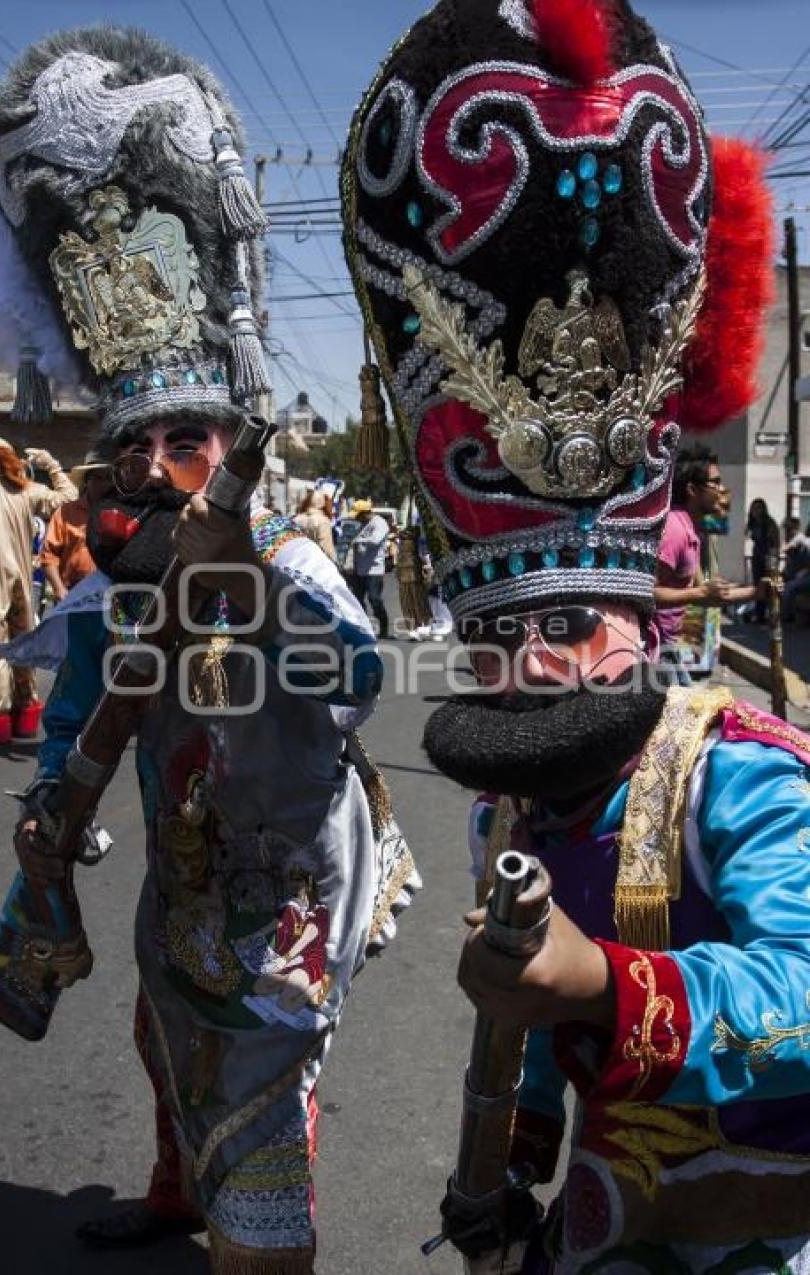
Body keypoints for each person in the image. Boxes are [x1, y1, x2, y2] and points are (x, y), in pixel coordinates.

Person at [342, 0, 808, 1269]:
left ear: (643, 620)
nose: (533, 667)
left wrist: (604, 984)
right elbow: (533, 1036)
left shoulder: (740, 769)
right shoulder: (522, 806)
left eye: (568, 626)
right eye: (497, 639)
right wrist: (505, 1159)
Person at [0, 26, 418, 1274]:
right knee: (162, 1024)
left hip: (285, 895)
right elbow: (90, 697)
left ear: (230, 442)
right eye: (138, 443)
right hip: (186, 878)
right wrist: (57, 805)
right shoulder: (122, 579)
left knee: (264, 1137)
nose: (160, 467)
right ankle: (173, 1189)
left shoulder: (288, 557)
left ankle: (254, 1235)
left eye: (189, 441)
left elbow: (357, 680)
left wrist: (255, 584)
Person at [0, 435, 76, 744]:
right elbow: (70, 497)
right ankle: (26, 709)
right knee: (22, 640)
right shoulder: (27, 492)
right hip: (23, 577)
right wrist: (51, 465)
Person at [654, 447, 760, 679]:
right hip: (654, 651)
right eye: (715, 483)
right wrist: (700, 593)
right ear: (692, 489)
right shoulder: (674, 530)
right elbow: (647, 594)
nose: (722, 490)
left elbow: (707, 593)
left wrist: (758, 591)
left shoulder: (692, 530)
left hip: (670, 649)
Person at [40, 451, 113, 603]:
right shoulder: (66, 512)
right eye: (98, 478)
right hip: (71, 593)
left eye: (108, 478)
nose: (104, 484)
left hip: (109, 596)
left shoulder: (119, 511)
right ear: (87, 481)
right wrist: (58, 588)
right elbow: (49, 556)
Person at [346, 498, 390, 638]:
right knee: (357, 600)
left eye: (358, 516)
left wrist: (358, 540)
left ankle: (383, 627)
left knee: (374, 599)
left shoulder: (379, 523)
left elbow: (375, 540)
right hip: (360, 570)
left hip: (374, 570)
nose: (357, 519)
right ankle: (364, 628)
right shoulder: (362, 525)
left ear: (365, 513)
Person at [746, 496, 780, 622]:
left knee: (770, 587)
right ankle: (760, 615)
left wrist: (772, 563)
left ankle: (772, 615)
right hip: (757, 558)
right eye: (754, 509)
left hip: (768, 559)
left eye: (759, 509)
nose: (756, 512)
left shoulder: (769, 524)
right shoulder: (754, 524)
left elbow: (774, 544)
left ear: (763, 510)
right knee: (758, 586)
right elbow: (749, 536)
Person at [293, 488, 336, 561]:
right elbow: (326, 548)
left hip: (298, 561)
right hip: (316, 563)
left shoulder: (296, 519)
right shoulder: (323, 521)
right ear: (322, 503)